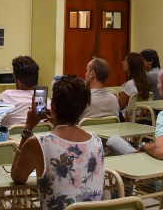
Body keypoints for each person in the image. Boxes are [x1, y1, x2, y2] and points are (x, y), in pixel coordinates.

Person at [11, 76, 105, 208]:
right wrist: (56, 121)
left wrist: (28, 127)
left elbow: (17, 177)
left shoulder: (38, 143)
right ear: (83, 108)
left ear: (53, 104)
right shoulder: (97, 141)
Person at [0, 55, 48, 126]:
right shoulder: (46, 101)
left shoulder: (6, 96)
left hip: (11, 136)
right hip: (39, 136)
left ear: (19, 82)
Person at [118, 52, 151, 122]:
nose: (122, 62)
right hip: (140, 119)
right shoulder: (145, 83)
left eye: (126, 60)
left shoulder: (130, 84)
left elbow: (120, 106)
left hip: (127, 119)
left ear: (132, 64)